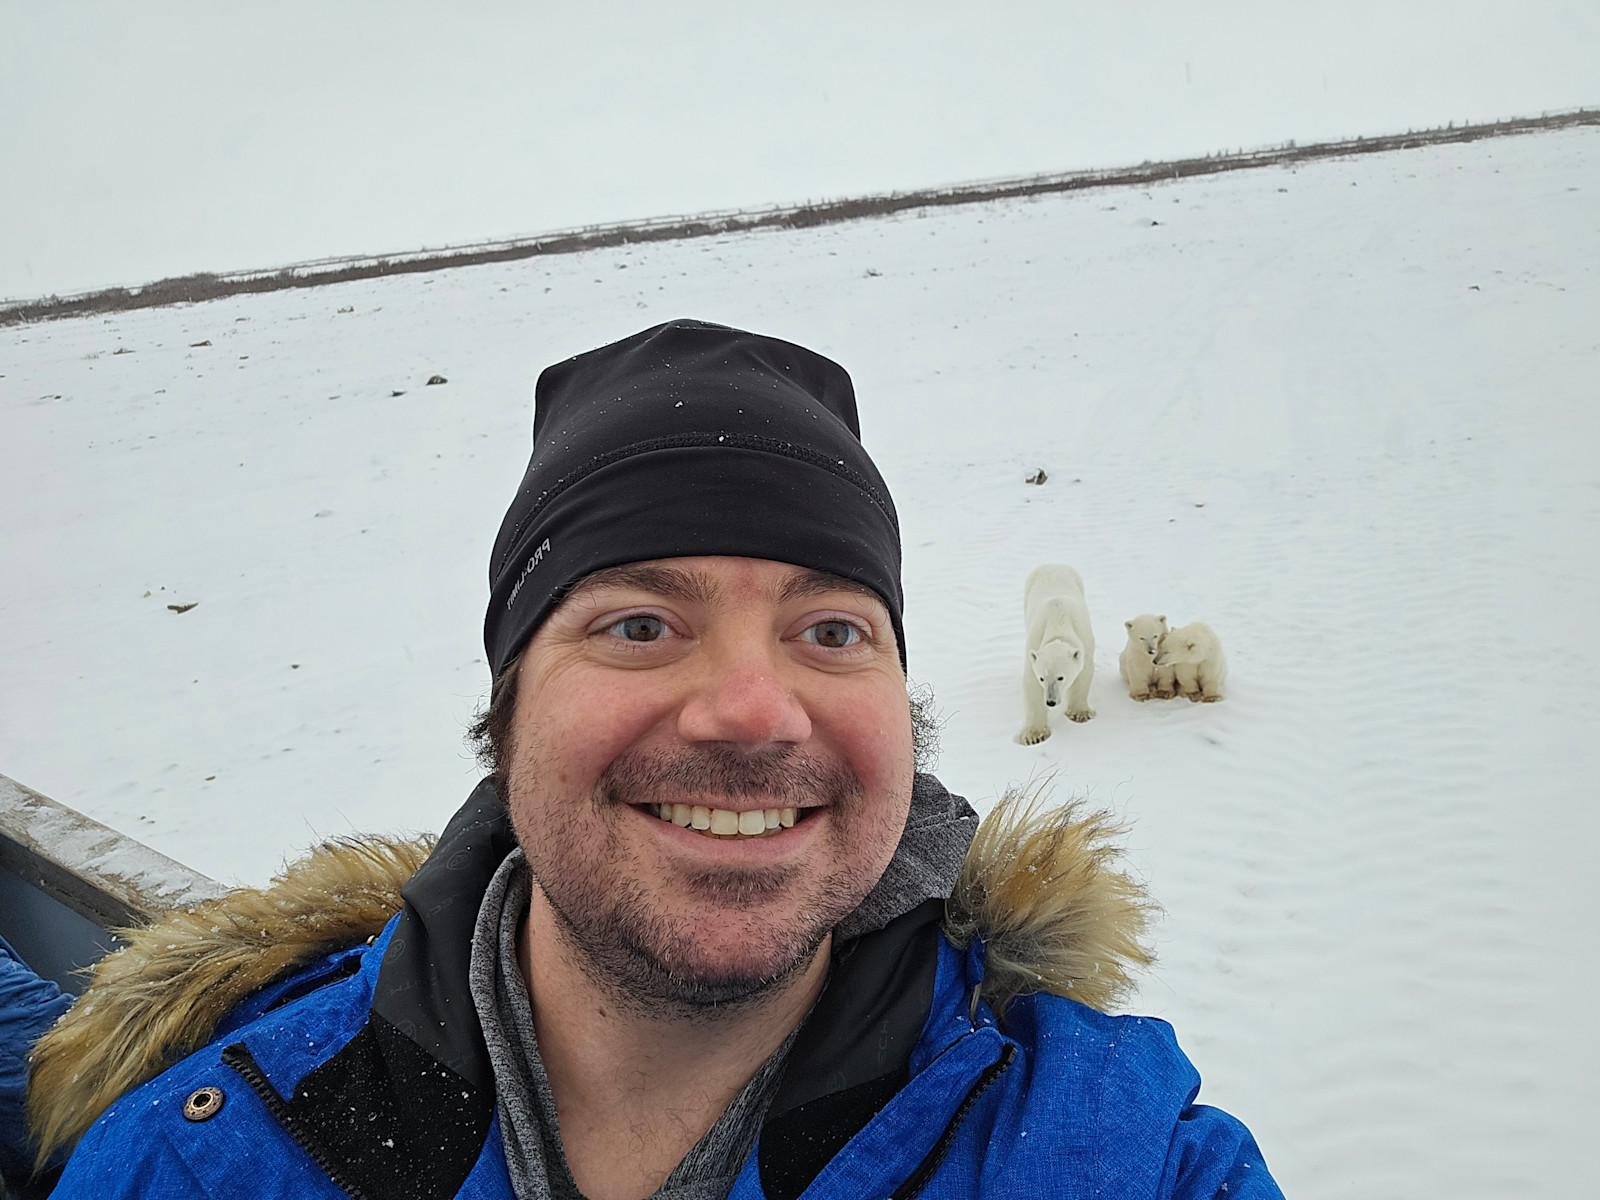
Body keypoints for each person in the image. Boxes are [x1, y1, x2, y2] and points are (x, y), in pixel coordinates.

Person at [28, 320, 1282, 1198]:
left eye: (830, 629)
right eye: (639, 625)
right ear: (506, 713)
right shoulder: (202, 1158)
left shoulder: (1103, 1154)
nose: (752, 710)